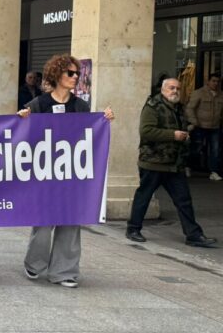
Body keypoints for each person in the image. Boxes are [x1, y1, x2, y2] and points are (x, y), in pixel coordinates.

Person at [17, 54, 114, 288]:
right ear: (56, 74)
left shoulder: (80, 106)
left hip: (71, 172)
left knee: (70, 222)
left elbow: (88, 134)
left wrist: (104, 120)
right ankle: (35, 263)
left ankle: (64, 271)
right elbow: (25, 137)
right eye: (70, 73)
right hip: (44, 173)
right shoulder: (39, 104)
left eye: (77, 74)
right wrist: (21, 119)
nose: (74, 77)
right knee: (42, 223)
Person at [126, 78, 217, 248]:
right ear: (163, 89)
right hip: (153, 162)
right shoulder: (152, 106)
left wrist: (185, 136)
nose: (175, 91)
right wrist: (173, 135)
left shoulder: (178, 108)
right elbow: (146, 132)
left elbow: (180, 128)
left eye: (178, 88)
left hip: (174, 163)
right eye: (171, 88)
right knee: (143, 197)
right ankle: (133, 229)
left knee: (184, 200)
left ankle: (194, 235)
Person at [185, 73, 223, 181]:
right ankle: (188, 166)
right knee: (196, 148)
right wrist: (194, 121)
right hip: (200, 125)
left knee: (215, 150)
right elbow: (190, 108)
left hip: (215, 126)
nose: (216, 83)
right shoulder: (199, 93)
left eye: (218, 81)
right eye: (214, 81)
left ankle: (213, 171)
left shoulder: (221, 95)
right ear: (208, 81)